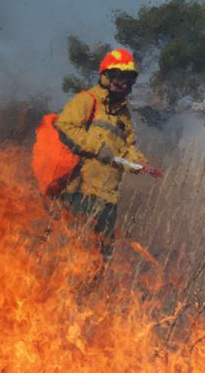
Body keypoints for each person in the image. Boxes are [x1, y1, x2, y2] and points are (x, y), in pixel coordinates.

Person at [54, 48, 161, 260]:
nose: (124, 84)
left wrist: (140, 162)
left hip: (107, 198)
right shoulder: (87, 100)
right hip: (81, 193)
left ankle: (94, 291)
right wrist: (97, 148)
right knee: (75, 253)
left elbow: (127, 147)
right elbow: (65, 126)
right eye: (119, 77)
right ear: (106, 77)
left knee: (101, 257)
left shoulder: (123, 114)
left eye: (128, 79)